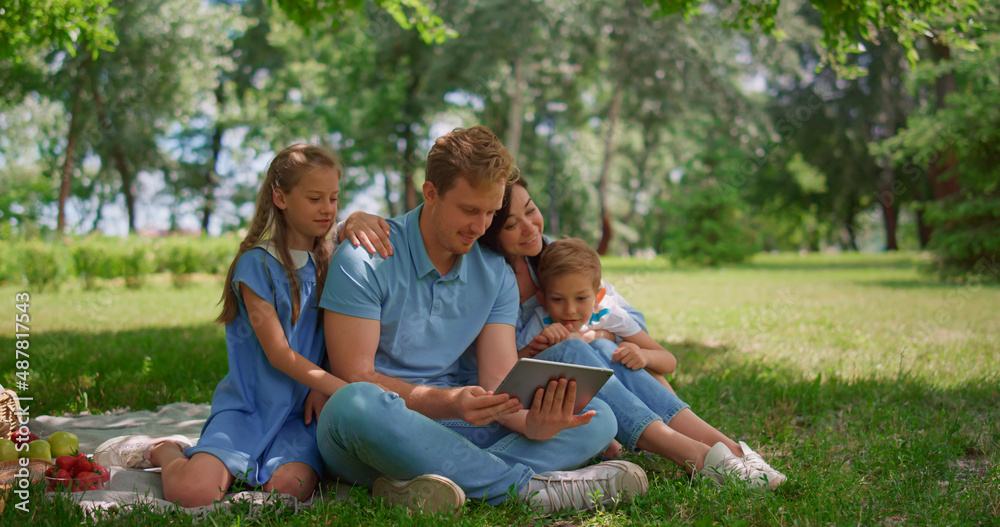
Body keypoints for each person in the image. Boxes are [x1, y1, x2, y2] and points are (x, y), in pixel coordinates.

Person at [313, 126, 648, 515]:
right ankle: (529, 490)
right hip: (383, 426)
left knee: (599, 419)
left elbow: (498, 382)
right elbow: (356, 375)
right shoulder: (366, 256)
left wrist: (532, 424)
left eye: (490, 212)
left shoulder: (495, 274)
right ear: (431, 193)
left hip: (459, 429)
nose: (480, 226)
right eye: (469, 210)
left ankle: (417, 486)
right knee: (352, 404)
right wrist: (449, 402)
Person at [93, 144, 387, 507]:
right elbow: (280, 354)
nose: (327, 208)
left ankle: (244, 463)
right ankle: (165, 450)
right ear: (280, 197)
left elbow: (333, 332)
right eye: (315, 198)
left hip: (301, 415)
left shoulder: (331, 260)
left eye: (334, 198)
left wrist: (322, 388)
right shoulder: (256, 266)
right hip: (250, 407)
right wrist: (345, 390)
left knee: (289, 490)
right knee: (193, 492)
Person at [478, 180, 787, 490]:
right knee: (584, 347)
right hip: (541, 398)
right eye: (510, 224)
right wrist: (539, 347)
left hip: (605, 375)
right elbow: (502, 370)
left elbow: (630, 328)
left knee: (602, 346)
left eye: (531, 210)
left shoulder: (552, 258)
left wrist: (602, 336)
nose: (529, 227)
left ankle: (731, 450)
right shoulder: (492, 280)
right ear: (492, 231)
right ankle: (701, 457)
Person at [523, 238, 677, 386]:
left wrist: (645, 356)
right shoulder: (541, 321)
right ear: (543, 299)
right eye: (558, 299)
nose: (570, 311)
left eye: (581, 298)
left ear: (598, 297)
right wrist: (536, 347)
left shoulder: (610, 315)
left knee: (629, 351)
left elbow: (669, 362)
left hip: (622, 383)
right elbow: (512, 367)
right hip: (580, 393)